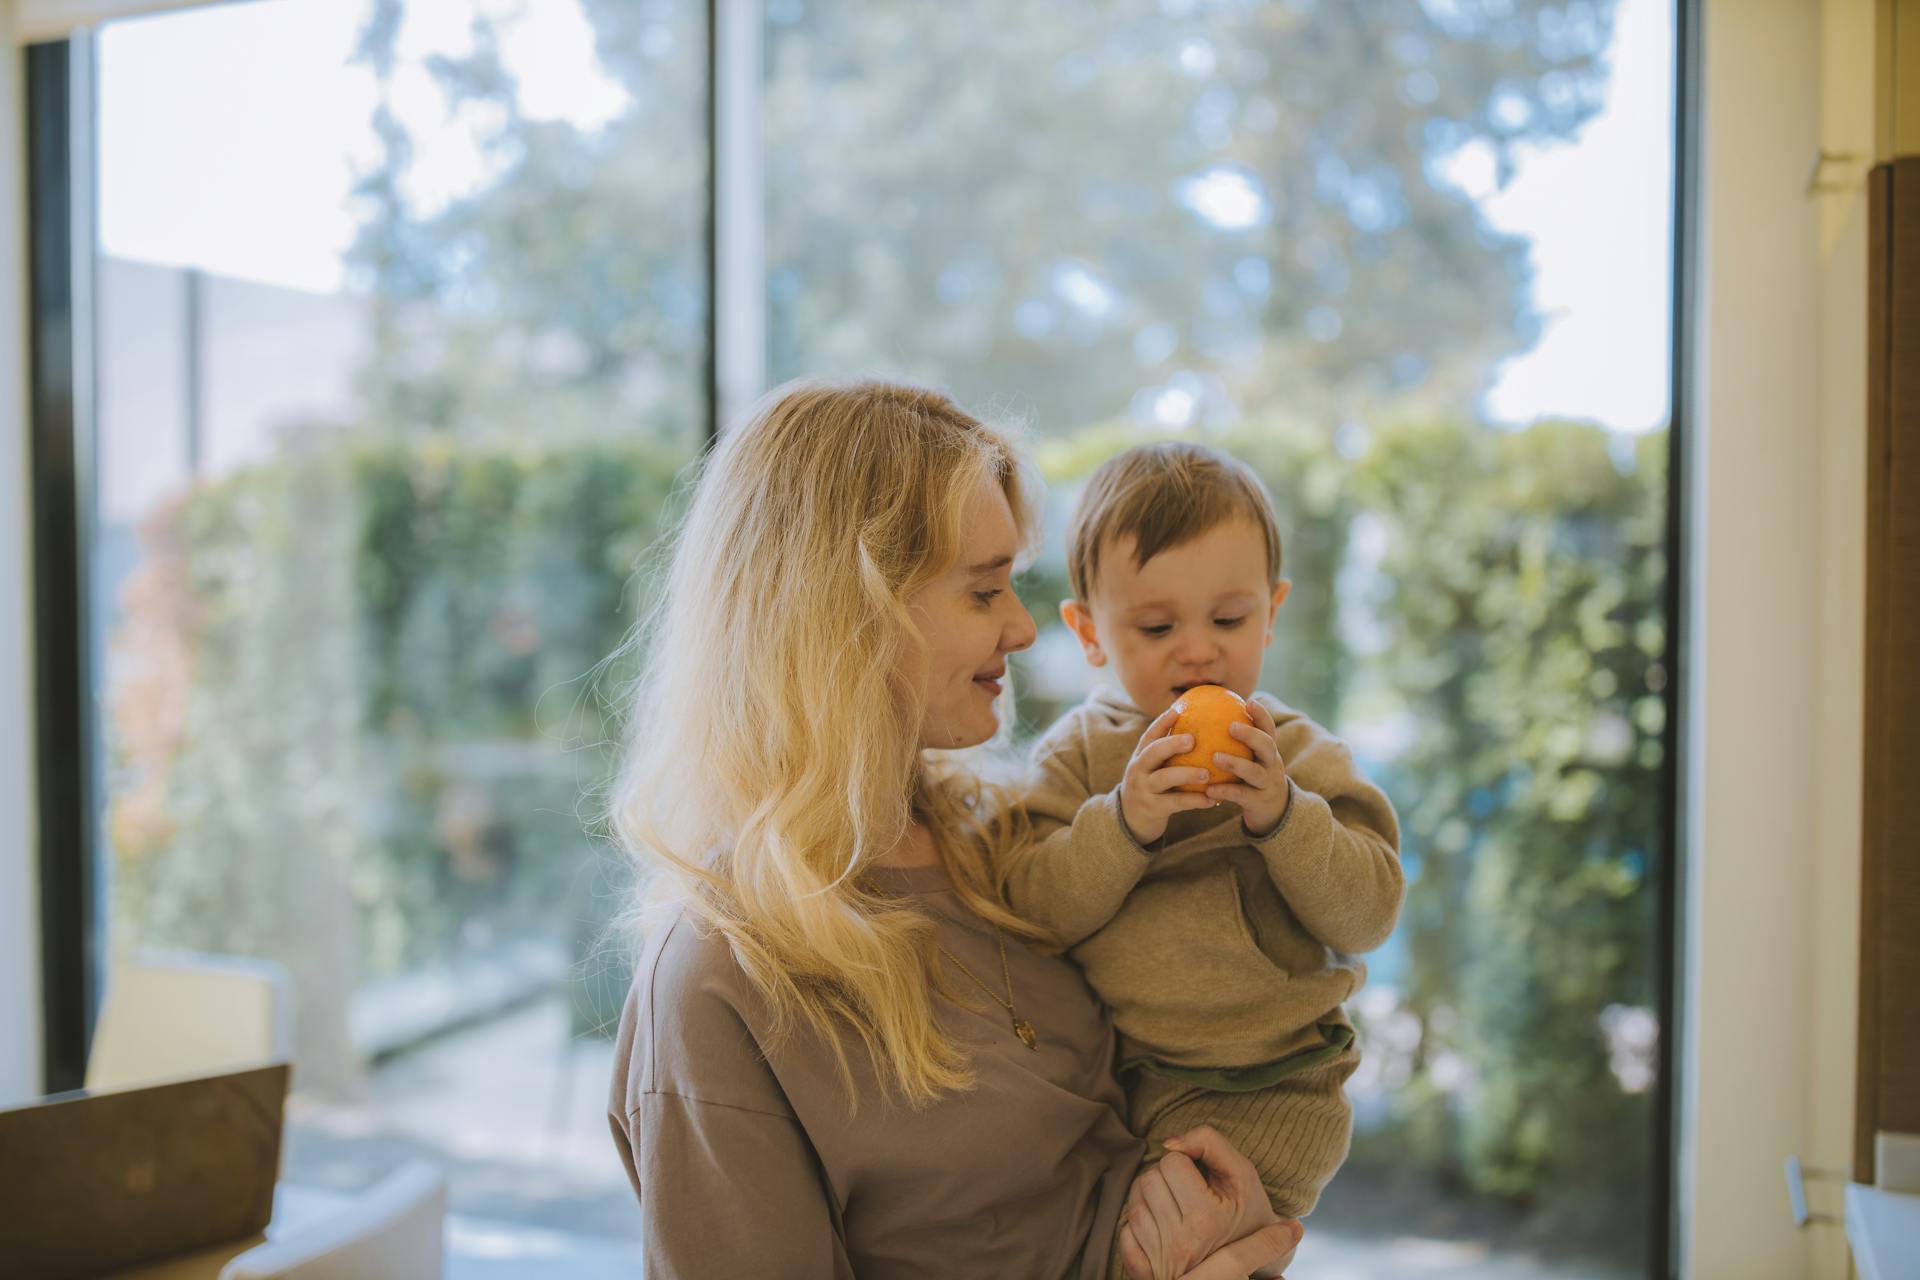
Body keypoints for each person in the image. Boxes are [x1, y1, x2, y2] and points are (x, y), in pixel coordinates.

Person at [603, 380, 1301, 1279]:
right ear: (847, 617)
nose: (1020, 626)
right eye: (984, 592)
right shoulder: (720, 981)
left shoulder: (1011, 840)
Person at [1004, 442, 1403, 1220]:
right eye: (1156, 627)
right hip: (1122, 1088)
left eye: (1229, 618)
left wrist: (1283, 818)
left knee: (1183, 1245)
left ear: (1272, 613)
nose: (1198, 649)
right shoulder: (1078, 757)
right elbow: (1032, 909)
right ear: (1089, 633)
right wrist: (1124, 823)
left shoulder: (1297, 754)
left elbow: (1370, 914)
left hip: (1280, 1083)